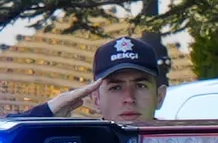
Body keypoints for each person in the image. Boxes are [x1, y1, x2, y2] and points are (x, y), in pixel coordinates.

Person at [41, 34, 169, 127]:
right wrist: (47, 113)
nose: (129, 98)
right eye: (116, 88)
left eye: (141, 86)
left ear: (160, 97)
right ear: (96, 99)